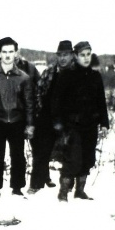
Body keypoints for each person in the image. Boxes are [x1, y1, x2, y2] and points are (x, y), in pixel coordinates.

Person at [52, 41, 109, 202]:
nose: (86, 58)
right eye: (82, 55)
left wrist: (104, 123)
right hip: (72, 126)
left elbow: (101, 101)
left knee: (88, 159)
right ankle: (63, 193)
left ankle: (80, 191)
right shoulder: (66, 76)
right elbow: (56, 102)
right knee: (73, 159)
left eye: (88, 54)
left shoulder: (95, 76)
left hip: (91, 126)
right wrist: (59, 124)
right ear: (75, 56)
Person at [0, 37, 34, 198]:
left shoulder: (23, 77)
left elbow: (29, 103)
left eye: (11, 51)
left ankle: (17, 188)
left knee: (18, 156)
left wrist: (30, 125)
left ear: (16, 53)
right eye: (4, 52)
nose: (8, 55)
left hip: (17, 121)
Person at [27, 40, 74, 195]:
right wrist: (40, 112)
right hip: (47, 117)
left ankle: (69, 187)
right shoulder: (50, 72)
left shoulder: (77, 73)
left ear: (71, 55)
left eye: (66, 55)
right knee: (41, 152)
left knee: (71, 152)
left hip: (69, 119)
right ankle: (36, 184)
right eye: (60, 55)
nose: (62, 58)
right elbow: (38, 92)